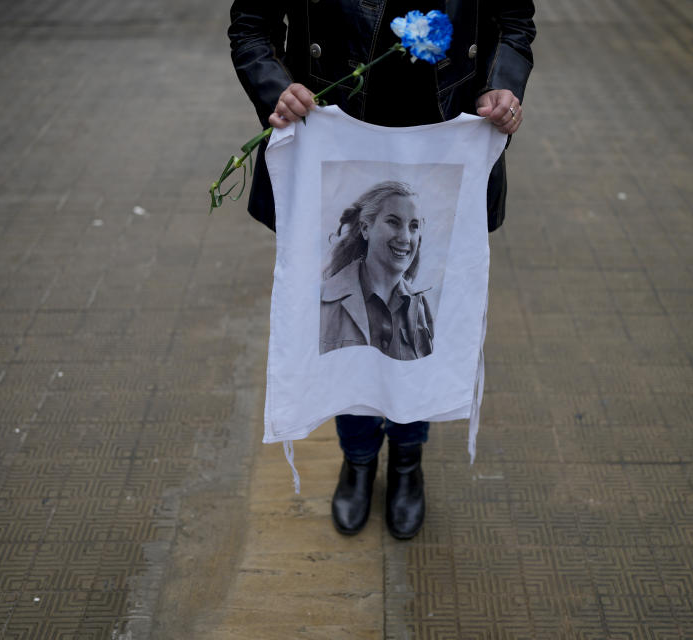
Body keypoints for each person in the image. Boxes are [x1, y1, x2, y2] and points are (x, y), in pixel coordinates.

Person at [229, 0, 535, 539]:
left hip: (444, 148)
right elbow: (252, 24)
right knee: (348, 328)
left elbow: (513, 20)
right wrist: (275, 86)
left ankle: (409, 462)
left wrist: (503, 86)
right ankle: (359, 458)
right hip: (339, 147)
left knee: (416, 324)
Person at [320, 181, 433, 361]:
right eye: (393, 222)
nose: (405, 237)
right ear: (366, 229)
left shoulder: (421, 307)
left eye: (414, 226)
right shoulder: (322, 301)